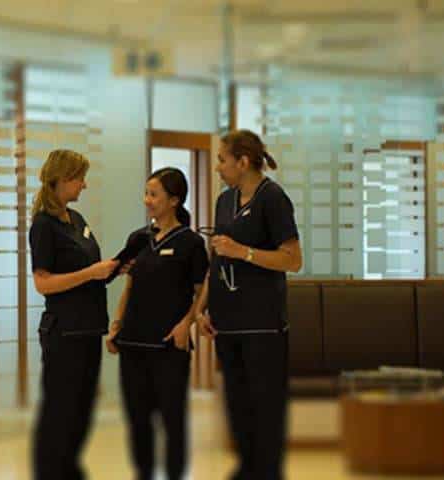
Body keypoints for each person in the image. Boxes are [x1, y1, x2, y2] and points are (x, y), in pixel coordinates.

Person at [200, 129, 303, 480]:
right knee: (238, 407)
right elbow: (216, 259)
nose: (217, 168)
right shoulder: (224, 201)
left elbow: (292, 260)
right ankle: (246, 469)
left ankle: (267, 473)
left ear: (243, 162)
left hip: (263, 325)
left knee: (266, 409)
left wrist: (243, 252)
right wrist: (205, 308)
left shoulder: (273, 199)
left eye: (221, 160)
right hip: (228, 322)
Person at [108, 168, 208, 480]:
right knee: (138, 420)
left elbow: (203, 289)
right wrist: (117, 324)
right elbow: (129, 286)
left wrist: (186, 324)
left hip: (169, 346)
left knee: (172, 420)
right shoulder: (138, 239)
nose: (147, 200)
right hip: (133, 344)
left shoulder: (191, 243)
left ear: (174, 200)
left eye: (154, 194)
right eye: (146, 193)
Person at [29, 149, 121, 480]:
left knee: (82, 408)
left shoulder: (77, 221)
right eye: (79, 178)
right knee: (59, 410)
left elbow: (88, 269)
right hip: (63, 332)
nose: (84, 185)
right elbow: (43, 283)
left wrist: (113, 269)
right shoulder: (43, 226)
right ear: (63, 179)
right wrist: (91, 274)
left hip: (88, 330)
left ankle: (68, 468)